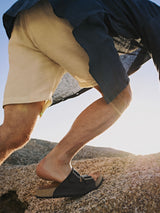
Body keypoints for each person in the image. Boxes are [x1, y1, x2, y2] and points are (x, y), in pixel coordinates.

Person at [0, 0, 159, 198]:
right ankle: (57, 161)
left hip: (26, 18)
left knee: (15, 131)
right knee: (120, 96)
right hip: (67, 13)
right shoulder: (156, 14)